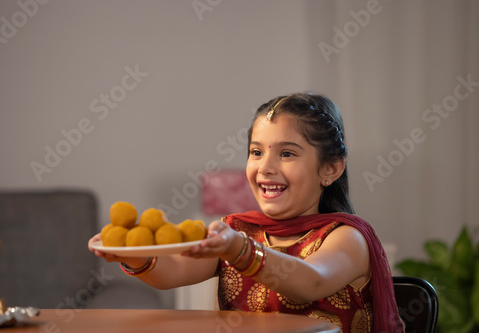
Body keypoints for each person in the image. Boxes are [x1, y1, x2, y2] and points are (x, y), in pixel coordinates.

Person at [88, 92, 404, 332]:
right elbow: (172, 272)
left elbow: (311, 282)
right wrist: (132, 254)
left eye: (287, 153)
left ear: (330, 169)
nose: (265, 167)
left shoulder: (348, 237)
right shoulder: (236, 230)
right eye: (256, 152)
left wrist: (238, 249)